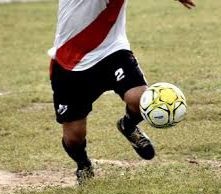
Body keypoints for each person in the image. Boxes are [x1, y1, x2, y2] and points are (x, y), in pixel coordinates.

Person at [49, 0, 196, 184]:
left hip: (112, 51)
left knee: (140, 98)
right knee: (73, 138)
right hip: (70, 62)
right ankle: (83, 164)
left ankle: (128, 125)